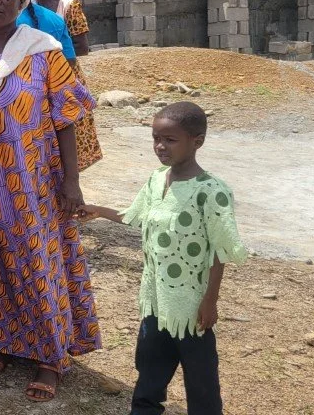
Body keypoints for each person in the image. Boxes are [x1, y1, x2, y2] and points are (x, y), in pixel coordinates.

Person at [0, 0, 102, 402]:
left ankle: (50, 356)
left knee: (39, 262)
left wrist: (72, 182)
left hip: (32, 180)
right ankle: (1, 340)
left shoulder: (43, 51)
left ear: (22, 0)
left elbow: (66, 119)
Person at [81, 102, 247, 415]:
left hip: (191, 306)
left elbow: (219, 251)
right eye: (156, 138)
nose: (160, 146)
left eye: (170, 140)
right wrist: (99, 211)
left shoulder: (211, 191)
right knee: (150, 367)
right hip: (156, 299)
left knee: (200, 380)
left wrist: (210, 301)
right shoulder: (157, 180)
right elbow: (139, 216)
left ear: (196, 141)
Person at [23, 0, 103, 171]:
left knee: (71, 129)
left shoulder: (67, 6)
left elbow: (82, 47)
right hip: (35, 79)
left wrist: (49, 56)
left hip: (66, 76)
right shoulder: (24, 10)